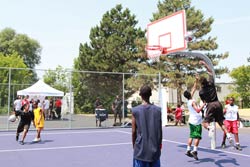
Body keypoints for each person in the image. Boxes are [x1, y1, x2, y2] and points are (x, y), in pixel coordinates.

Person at [198, 60, 232, 143]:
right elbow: (210, 72)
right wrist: (205, 64)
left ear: (201, 83)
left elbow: (204, 101)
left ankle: (210, 128)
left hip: (210, 105)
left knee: (204, 123)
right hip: (218, 103)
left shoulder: (201, 91)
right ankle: (228, 135)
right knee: (221, 122)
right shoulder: (211, 84)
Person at [132, 85, 162, 167]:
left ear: (140, 95)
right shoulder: (158, 110)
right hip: (154, 150)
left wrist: (134, 146)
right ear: (151, 94)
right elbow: (159, 131)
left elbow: (134, 131)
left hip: (140, 150)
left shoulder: (135, 110)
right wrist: (159, 145)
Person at [183, 75, 206, 160]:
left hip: (191, 120)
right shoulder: (192, 101)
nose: (191, 91)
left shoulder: (188, 100)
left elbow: (194, 88)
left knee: (191, 136)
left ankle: (188, 149)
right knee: (197, 137)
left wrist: (196, 80)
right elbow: (197, 110)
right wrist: (203, 105)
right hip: (196, 121)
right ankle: (194, 150)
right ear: (189, 94)